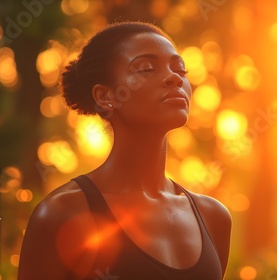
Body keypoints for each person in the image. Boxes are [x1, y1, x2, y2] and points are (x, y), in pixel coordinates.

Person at [18, 22, 231, 280]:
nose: (175, 78)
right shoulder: (61, 213)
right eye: (146, 68)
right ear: (105, 96)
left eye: (180, 69)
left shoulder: (214, 217)